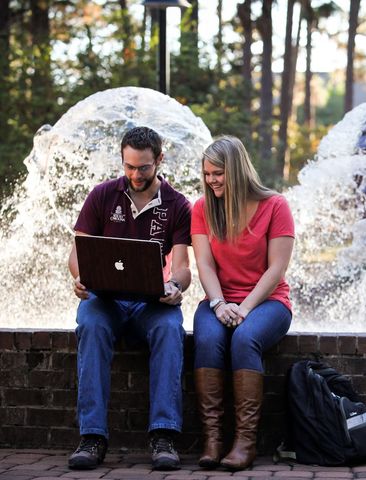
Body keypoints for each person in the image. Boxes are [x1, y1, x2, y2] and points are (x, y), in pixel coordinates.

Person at [67, 126, 192, 471]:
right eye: (129, 166)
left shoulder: (178, 205)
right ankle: (92, 437)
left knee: (170, 330)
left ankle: (164, 435)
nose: (136, 175)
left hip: (152, 303)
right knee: (90, 324)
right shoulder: (102, 195)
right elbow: (77, 252)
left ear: (159, 160)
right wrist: (80, 278)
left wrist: (175, 287)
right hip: (105, 300)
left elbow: (182, 268)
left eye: (144, 167)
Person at [191, 135, 295, 471]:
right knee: (206, 339)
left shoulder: (275, 206)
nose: (211, 181)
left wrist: (245, 308)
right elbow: (204, 264)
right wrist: (219, 303)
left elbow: (277, 269)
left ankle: (245, 443)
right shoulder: (202, 208)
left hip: (268, 302)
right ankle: (212, 440)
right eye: (207, 174)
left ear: (236, 170)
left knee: (245, 338)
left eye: (218, 173)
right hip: (219, 299)